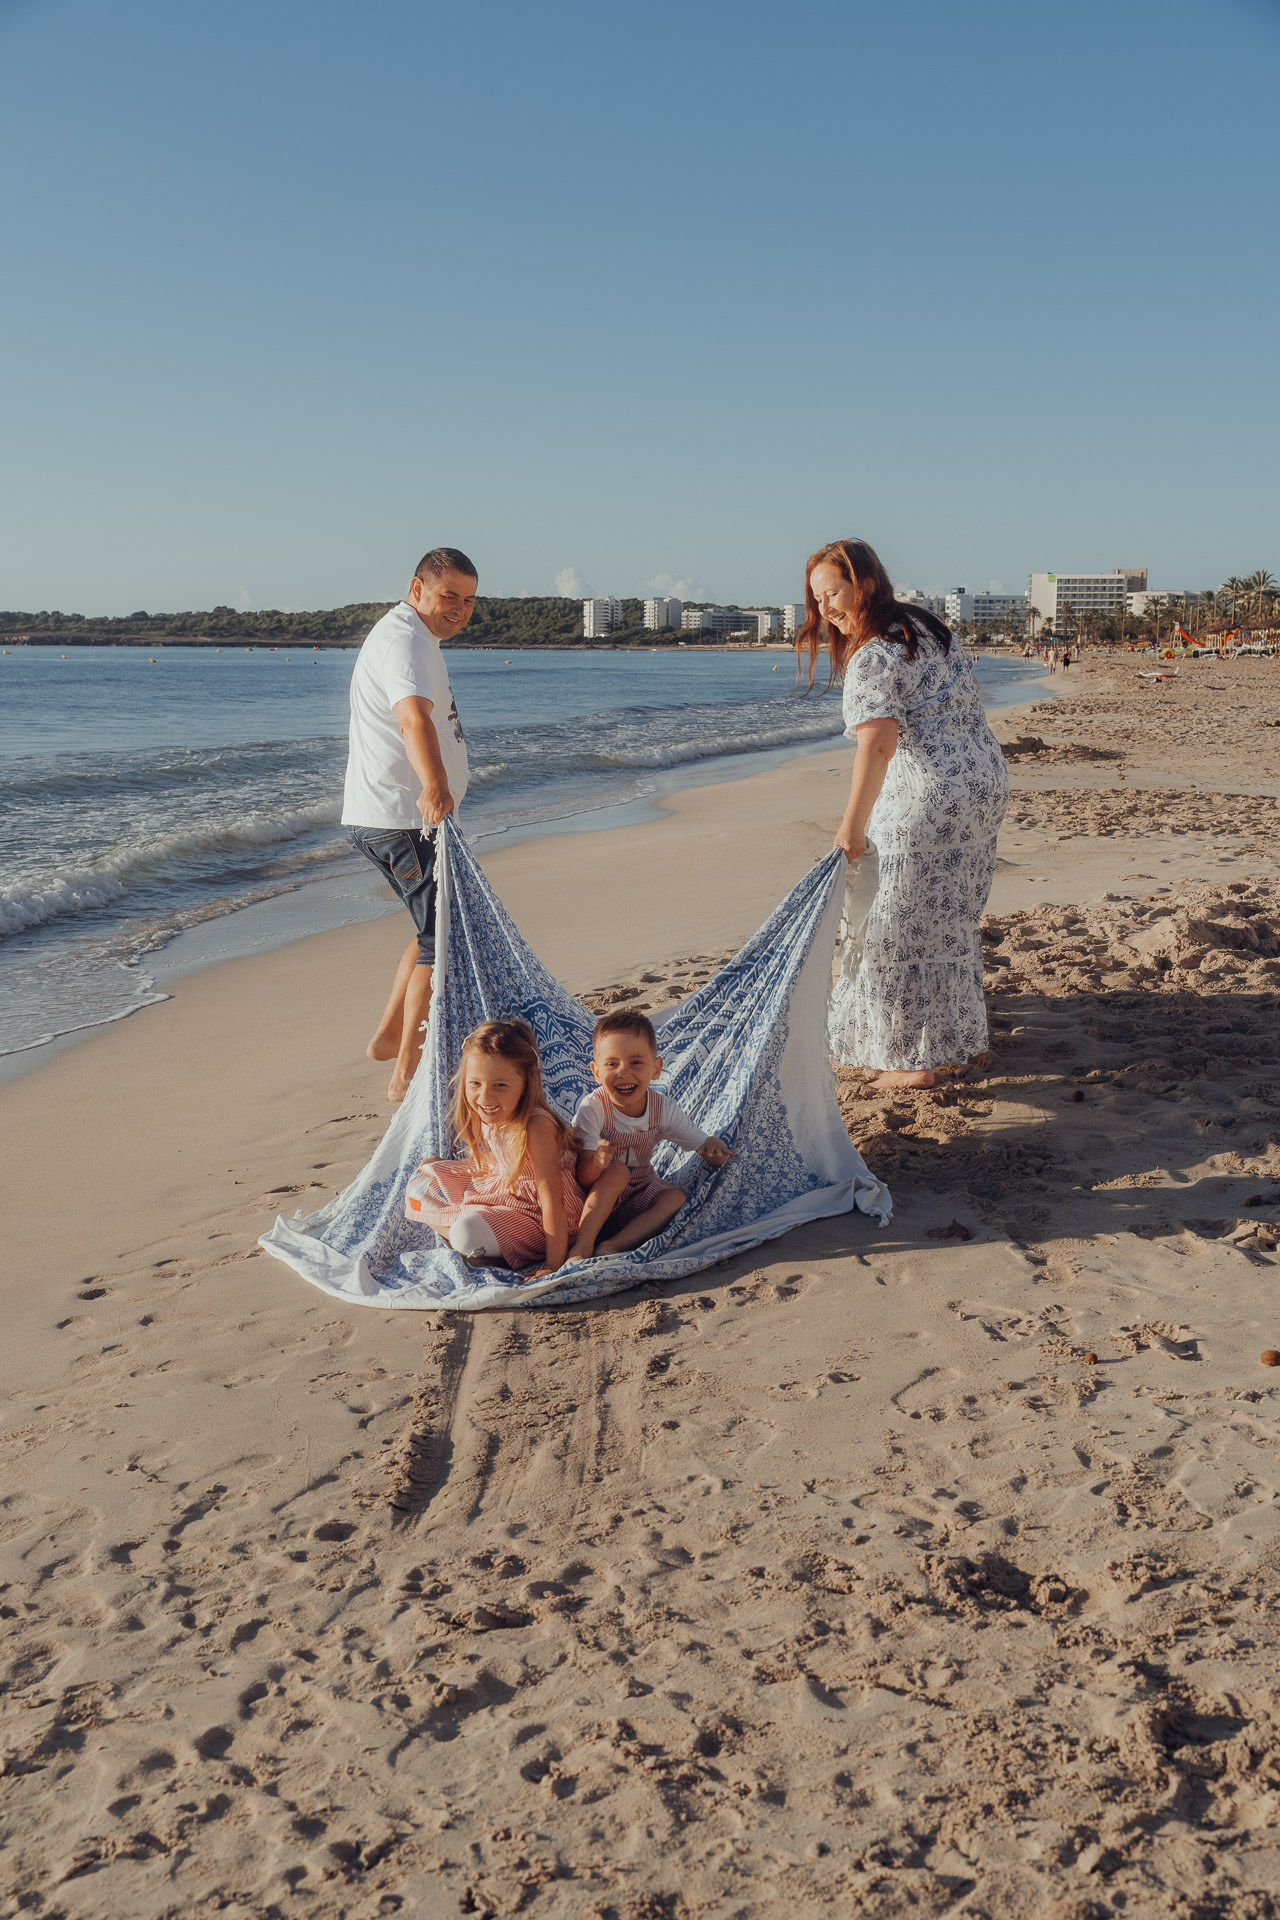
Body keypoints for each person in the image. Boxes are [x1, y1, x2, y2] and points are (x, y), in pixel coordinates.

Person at [800, 538, 1009, 1089]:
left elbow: (878, 745)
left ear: (864, 585)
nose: (826, 610)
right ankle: (951, 1044)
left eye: (834, 594)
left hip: (930, 797)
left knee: (892, 927)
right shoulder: (922, 627)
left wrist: (850, 826)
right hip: (981, 785)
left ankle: (909, 1062)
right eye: (818, 600)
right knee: (946, 920)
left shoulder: (872, 654)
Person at [342, 548, 477, 1101]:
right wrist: (435, 786)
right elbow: (411, 717)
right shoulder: (406, 641)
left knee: (430, 931)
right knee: (441, 940)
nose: (460, 609)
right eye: (449, 596)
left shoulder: (413, 637)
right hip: (403, 818)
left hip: (394, 816)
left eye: (469, 600)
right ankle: (406, 1073)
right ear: (416, 587)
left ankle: (390, 1034)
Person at [405, 1020, 585, 1277]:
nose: (485, 1097)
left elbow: (551, 1198)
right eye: (475, 1084)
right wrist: (446, 1169)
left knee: (466, 1233)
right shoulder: (490, 1113)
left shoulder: (536, 1125)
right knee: (419, 1185)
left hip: (540, 1215)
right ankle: (483, 1244)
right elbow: (503, 1160)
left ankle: (483, 1247)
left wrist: (553, 1265)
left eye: (500, 1085)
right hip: (503, 1190)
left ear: (525, 1083)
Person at [568, 1011, 734, 1258]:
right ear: (596, 1072)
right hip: (592, 1199)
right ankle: (582, 1246)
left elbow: (699, 1142)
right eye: (612, 1064)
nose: (624, 1072)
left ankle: (613, 1245)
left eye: (636, 1062)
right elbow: (581, 1177)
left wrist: (713, 1149)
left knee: (674, 1198)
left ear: (656, 1068)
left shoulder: (662, 1109)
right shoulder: (593, 1108)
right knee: (616, 1171)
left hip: (638, 1194)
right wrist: (599, 1161)